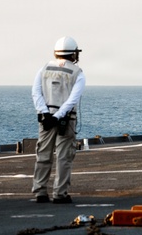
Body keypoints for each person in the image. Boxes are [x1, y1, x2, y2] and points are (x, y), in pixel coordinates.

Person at [31, 36, 86, 204]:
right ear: (72, 54)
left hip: (45, 120)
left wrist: (46, 114)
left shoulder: (44, 69)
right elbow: (72, 100)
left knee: (43, 154)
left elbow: (36, 93)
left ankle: (40, 191)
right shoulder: (77, 73)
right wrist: (57, 117)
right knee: (64, 157)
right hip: (65, 120)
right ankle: (60, 193)